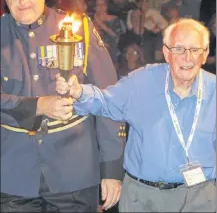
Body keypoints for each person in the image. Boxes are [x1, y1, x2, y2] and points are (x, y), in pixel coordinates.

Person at [0, 0, 125, 212]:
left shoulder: (79, 30)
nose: (22, 0)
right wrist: (39, 106)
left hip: (74, 174)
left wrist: (112, 169)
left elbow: (108, 100)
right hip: (14, 174)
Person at [56, 18, 216, 212]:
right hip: (143, 199)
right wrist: (78, 91)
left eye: (195, 50)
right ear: (166, 53)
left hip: (199, 199)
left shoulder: (214, 91)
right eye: (179, 49)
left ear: (205, 53)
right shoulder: (142, 82)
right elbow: (105, 102)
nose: (187, 57)